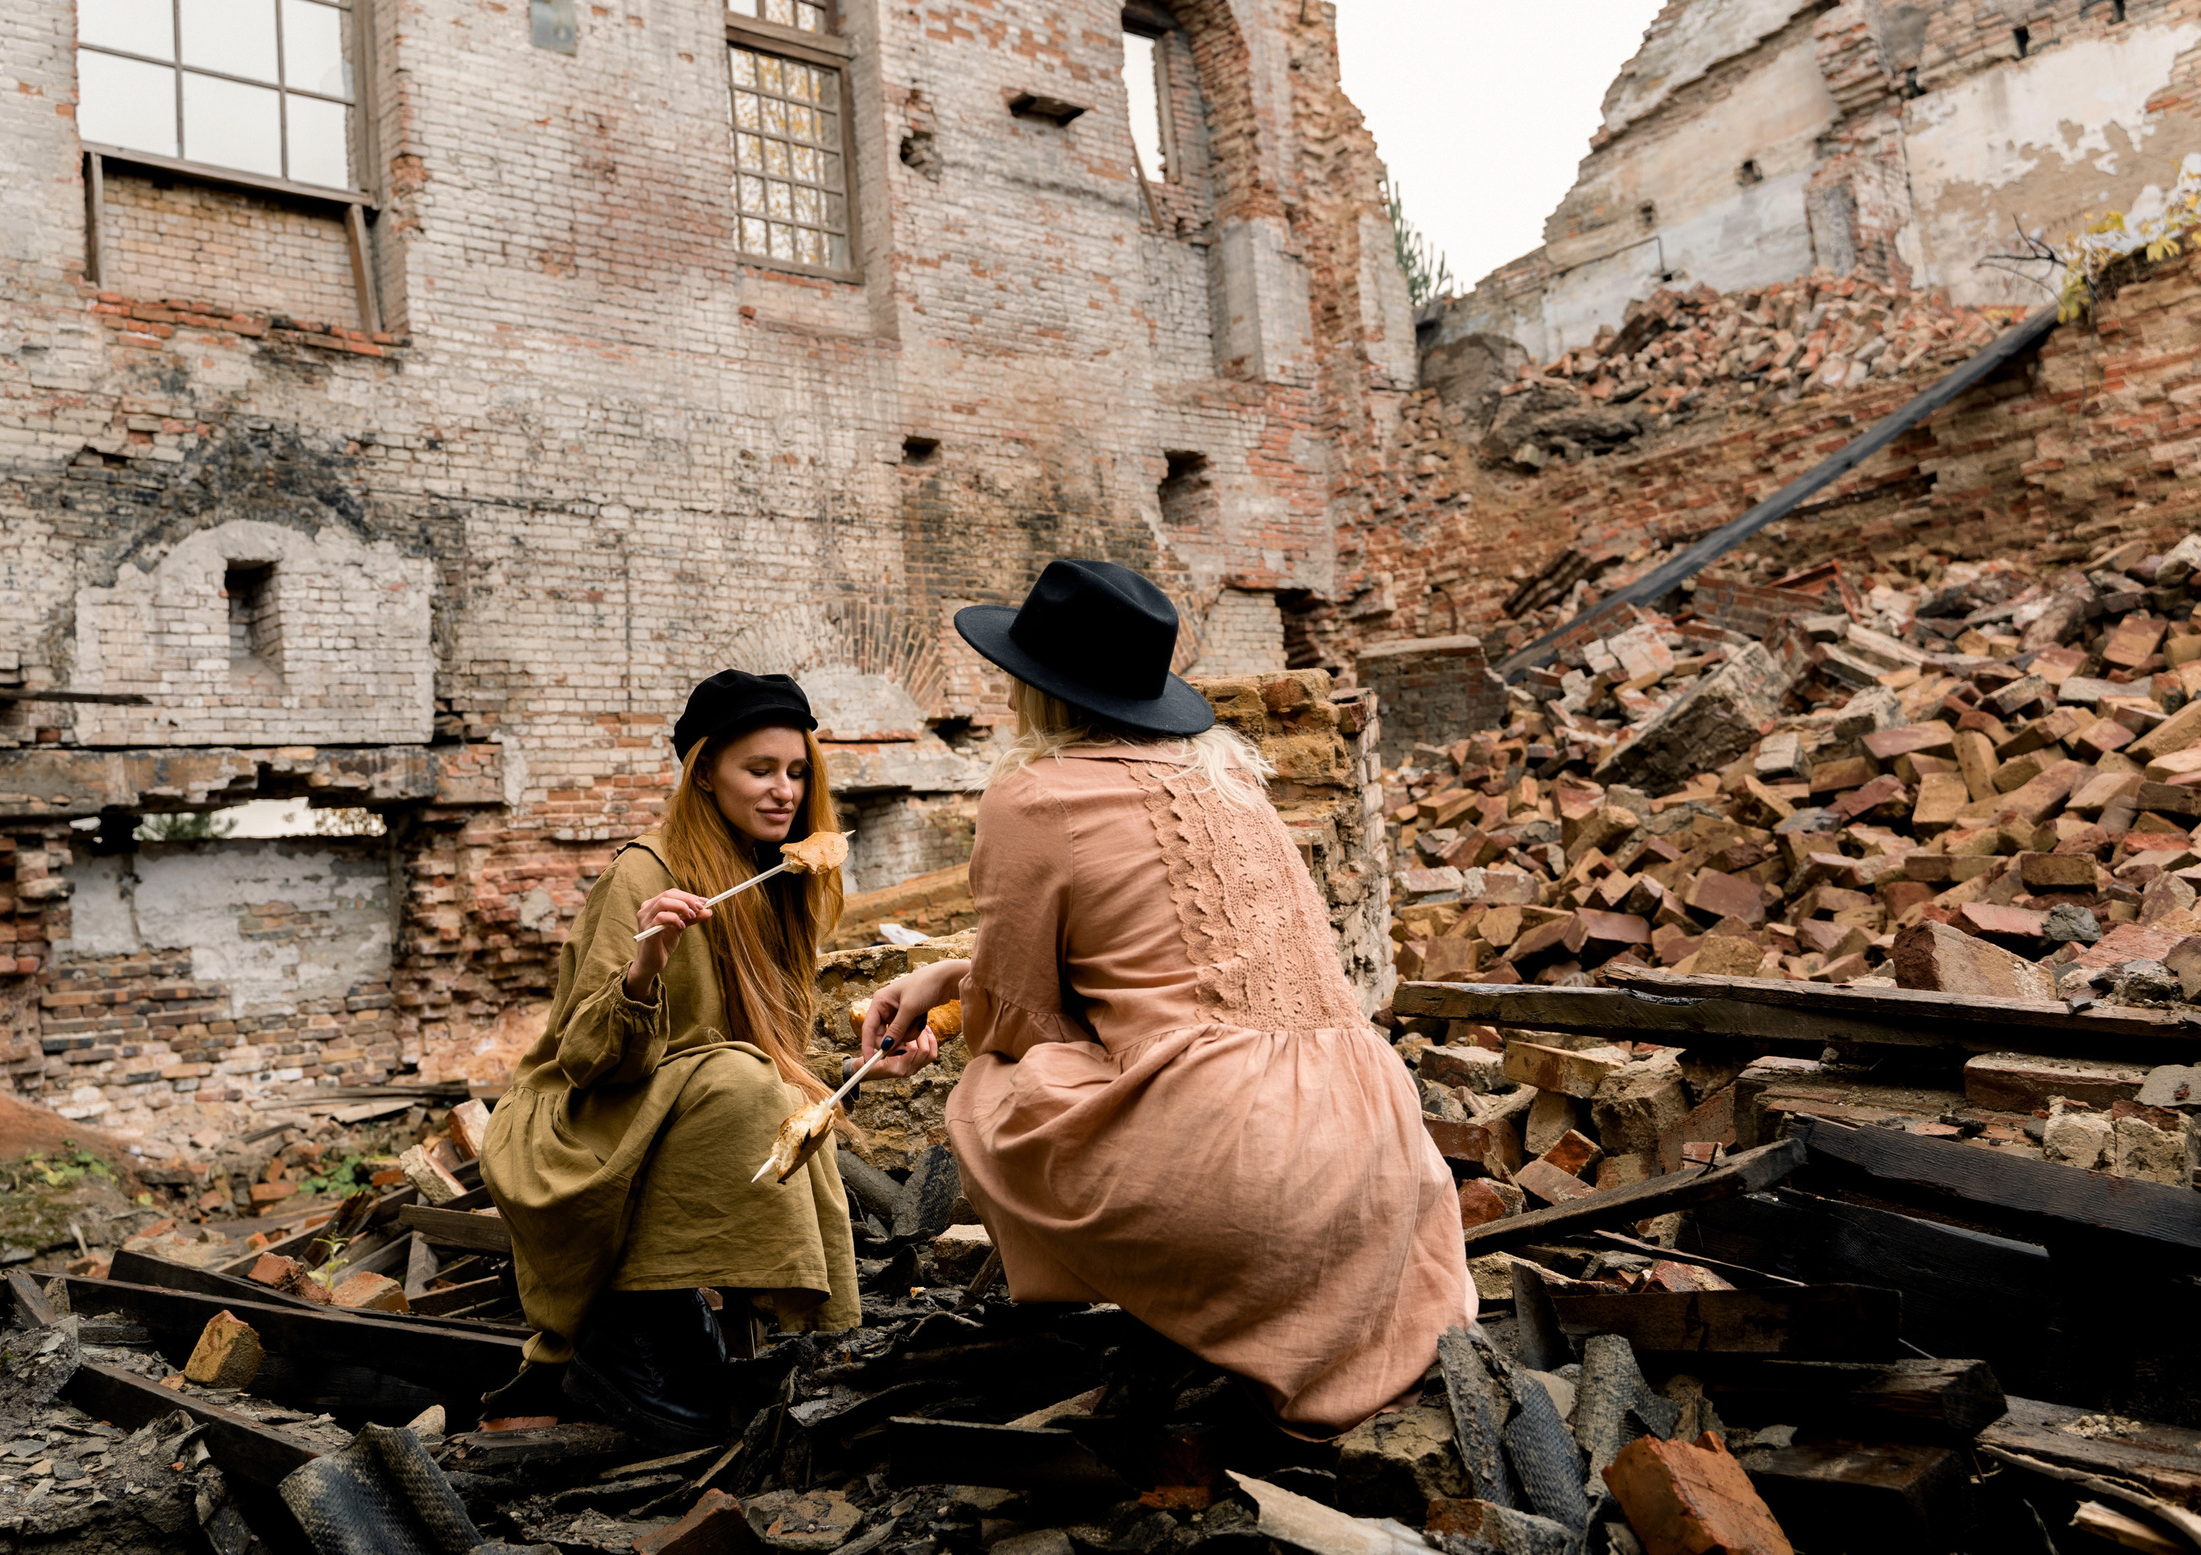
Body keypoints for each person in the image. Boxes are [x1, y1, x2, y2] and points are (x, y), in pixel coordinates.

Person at [860, 559, 1476, 1435]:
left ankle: (1190, 1294)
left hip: (1247, 1167)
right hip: (1381, 1152)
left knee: (992, 1093)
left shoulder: (1032, 796)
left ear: (1034, 686)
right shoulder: (1230, 777)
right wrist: (951, 975)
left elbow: (1019, 1015)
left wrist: (962, 1001)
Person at [480, 670, 859, 1448]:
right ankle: (628, 1316)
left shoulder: (778, 881)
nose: (783, 790)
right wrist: (645, 964)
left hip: (676, 1108)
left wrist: (870, 1062)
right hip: (584, 1117)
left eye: (796, 772)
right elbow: (588, 1058)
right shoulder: (643, 874)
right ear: (706, 773)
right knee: (748, 1084)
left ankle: (715, 1328)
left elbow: (778, 1041)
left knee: (778, 1088)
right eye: (760, 770)